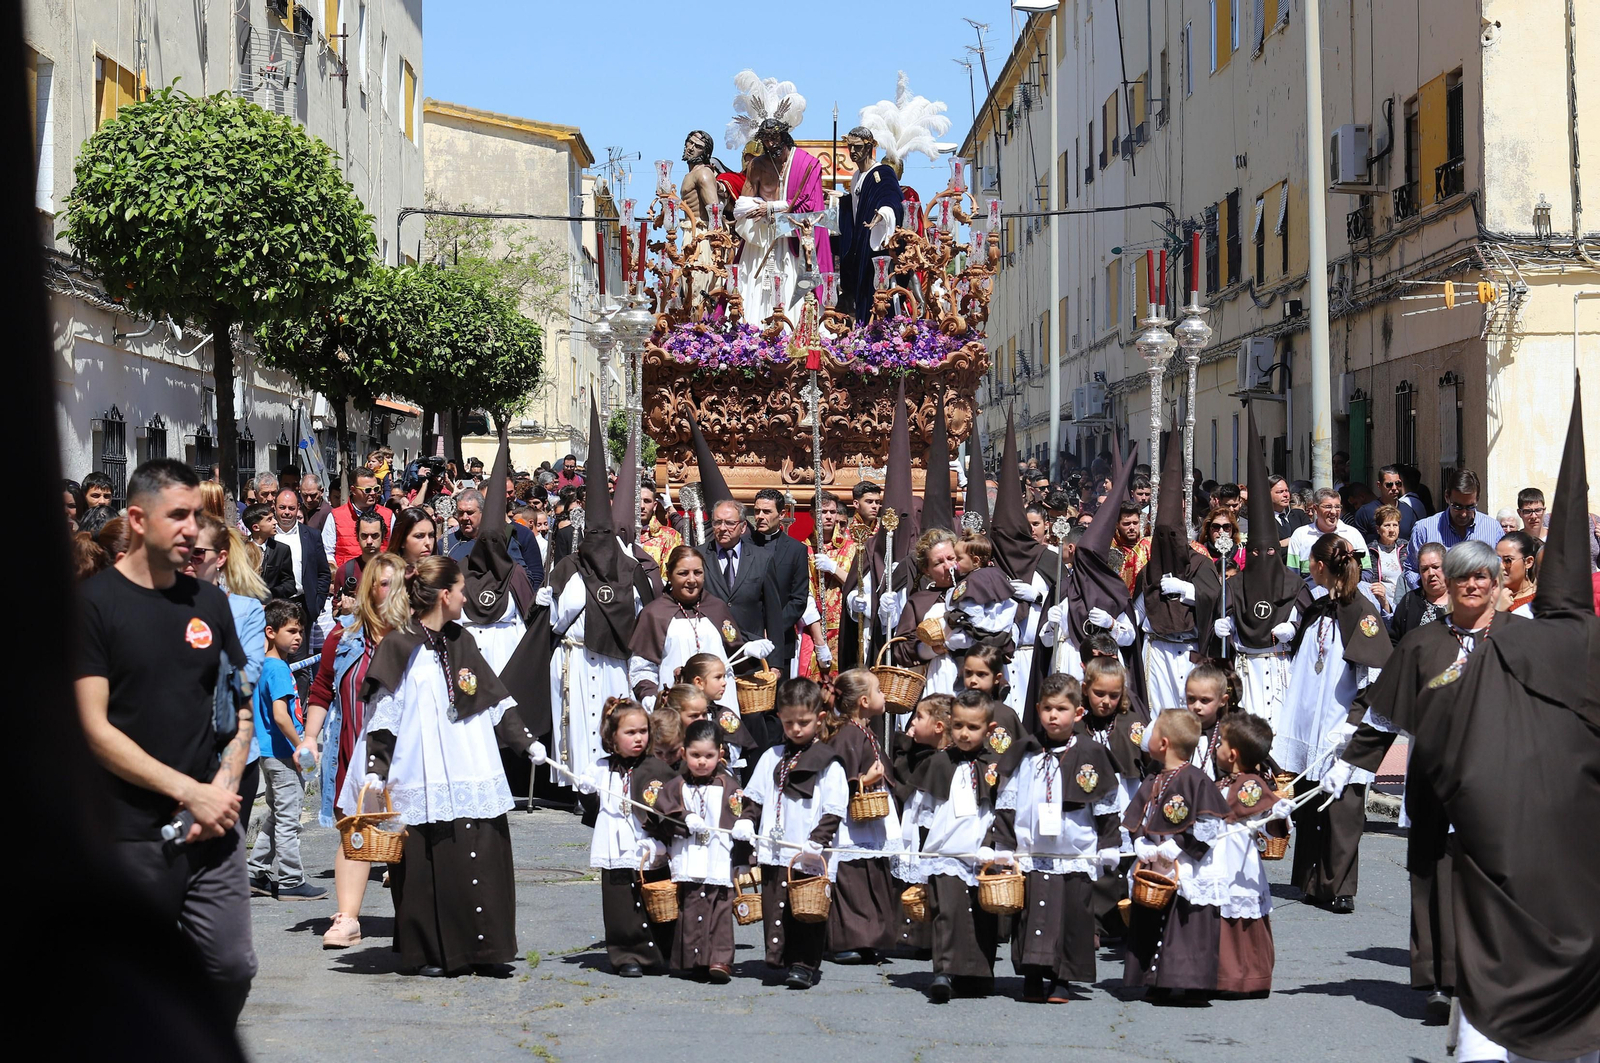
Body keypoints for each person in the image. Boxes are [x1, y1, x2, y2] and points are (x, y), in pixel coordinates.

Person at [74, 459, 257, 1022]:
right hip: (129, 834)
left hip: (212, 830)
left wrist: (221, 790)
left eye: (196, 515)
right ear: (136, 518)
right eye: (177, 515)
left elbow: (241, 712)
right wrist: (188, 791)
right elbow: (92, 726)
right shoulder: (92, 605)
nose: (191, 529)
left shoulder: (210, 603)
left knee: (231, 965)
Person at [1332, 539, 1524, 1024]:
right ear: (1450, 586)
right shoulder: (1422, 644)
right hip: (1436, 785)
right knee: (1435, 880)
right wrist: (1350, 766)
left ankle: (1493, 980)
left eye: (1483, 576)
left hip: (1503, 787)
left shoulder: (1519, 639)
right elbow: (1383, 717)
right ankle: (1441, 980)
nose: (1474, 585)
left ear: (1496, 583)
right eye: (1465, 578)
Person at [340, 556, 538, 977]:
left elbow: (495, 698)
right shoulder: (399, 645)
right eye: (461, 589)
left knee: (481, 850)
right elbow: (383, 718)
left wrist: (526, 743)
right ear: (444, 595)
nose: (465, 596)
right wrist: (376, 766)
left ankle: (485, 949)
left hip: (470, 761)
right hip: (420, 767)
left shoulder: (462, 639)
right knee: (428, 860)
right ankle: (429, 950)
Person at [1273, 533, 1392, 913]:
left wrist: (1353, 723)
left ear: (1321, 566)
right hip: (1312, 724)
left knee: (1342, 808)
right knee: (1311, 806)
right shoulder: (1319, 606)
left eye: (1310, 561)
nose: (1308, 567)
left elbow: (1373, 676)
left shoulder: (1362, 612)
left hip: (1341, 722)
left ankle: (1340, 886)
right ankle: (1312, 881)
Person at [296, 552, 409, 949]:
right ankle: (348, 919)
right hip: (353, 748)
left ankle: (417, 920)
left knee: (408, 837)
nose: (389, 589)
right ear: (367, 588)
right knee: (355, 835)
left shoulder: (417, 637)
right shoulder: (342, 637)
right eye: (382, 582)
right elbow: (322, 689)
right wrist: (309, 738)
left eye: (397, 582)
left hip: (405, 755)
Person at [988, 673, 1122, 1004]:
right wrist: (1003, 845)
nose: (1052, 716)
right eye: (1047, 708)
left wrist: (1109, 845)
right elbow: (1007, 799)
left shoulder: (1091, 751)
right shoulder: (1026, 752)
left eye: (1061, 709)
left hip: (1073, 850)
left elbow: (1107, 805)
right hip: (1032, 849)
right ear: (1037, 709)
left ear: (1077, 713)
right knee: (1033, 914)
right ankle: (1033, 975)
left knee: (1072, 914)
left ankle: (1063, 978)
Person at [729, 678, 848, 990]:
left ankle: (804, 964)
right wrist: (747, 821)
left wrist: (818, 840)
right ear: (779, 717)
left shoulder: (828, 762)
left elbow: (835, 807)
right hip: (775, 847)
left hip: (807, 849)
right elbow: (755, 797)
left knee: (806, 912)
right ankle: (779, 956)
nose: (796, 729)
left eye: (804, 722)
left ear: (820, 719)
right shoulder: (772, 756)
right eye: (789, 721)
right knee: (776, 903)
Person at [901, 694, 1007, 1002]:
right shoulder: (938, 762)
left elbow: (1007, 809)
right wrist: (920, 856)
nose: (963, 733)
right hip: (945, 852)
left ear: (989, 729)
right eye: (958, 725)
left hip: (982, 853)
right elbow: (924, 812)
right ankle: (944, 971)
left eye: (973, 727)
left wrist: (998, 845)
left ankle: (977, 973)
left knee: (980, 913)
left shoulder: (996, 766)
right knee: (946, 911)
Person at [1120, 708, 1231, 1001]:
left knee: (1186, 926)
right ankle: (1158, 980)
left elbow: (1210, 824)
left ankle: (1192, 985)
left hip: (1187, 865)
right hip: (1156, 863)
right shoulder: (1155, 776)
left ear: (1164, 743)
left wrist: (1179, 845)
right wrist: (1140, 844)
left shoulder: (1196, 779)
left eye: (1152, 733)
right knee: (1155, 923)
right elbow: (1139, 817)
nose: (1147, 739)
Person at [575, 698, 677, 977]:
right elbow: (593, 809)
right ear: (611, 736)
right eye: (630, 733)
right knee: (620, 904)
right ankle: (627, 955)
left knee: (655, 901)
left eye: (643, 731)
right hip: (615, 846)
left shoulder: (655, 768)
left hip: (647, 848)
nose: (638, 738)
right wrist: (587, 791)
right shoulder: (600, 768)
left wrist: (661, 840)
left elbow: (670, 809)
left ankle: (659, 952)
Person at [644, 717, 743, 983]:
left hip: (717, 858)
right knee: (691, 907)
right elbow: (661, 809)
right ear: (684, 753)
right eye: (695, 755)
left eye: (709, 755)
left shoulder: (727, 785)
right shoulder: (677, 785)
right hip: (689, 857)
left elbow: (741, 812)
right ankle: (694, 959)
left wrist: (744, 826)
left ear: (720, 754)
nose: (702, 761)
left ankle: (720, 960)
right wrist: (683, 816)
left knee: (720, 909)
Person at [629, 545, 771, 718]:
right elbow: (642, 667)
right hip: (676, 709)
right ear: (669, 573)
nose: (691, 580)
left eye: (697, 572)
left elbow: (733, 655)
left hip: (721, 705)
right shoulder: (654, 614)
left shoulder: (717, 608)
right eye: (683, 573)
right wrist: (650, 697)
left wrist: (748, 651)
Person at [244, 599, 325, 901]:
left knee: (277, 816)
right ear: (269, 631)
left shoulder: (263, 666)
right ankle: (291, 880)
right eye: (291, 631)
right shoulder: (277, 668)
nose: (299, 637)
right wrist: (301, 742)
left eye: (301, 631)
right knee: (289, 819)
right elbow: (280, 714)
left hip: (266, 753)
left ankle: (256, 872)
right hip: (282, 753)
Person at [823, 669, 902, 966]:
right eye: (880, 691)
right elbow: (834, 779)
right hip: (851, 822)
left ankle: (870, 939)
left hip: (871, 816)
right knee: (851, 880)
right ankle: (846, 940)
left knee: (872, 876)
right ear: (865, 701)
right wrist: (864, 781)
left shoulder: (864, 729)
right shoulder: (846, 735)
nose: (884, 696)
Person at [1136, 439, 1222, 712]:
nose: (1168, 543)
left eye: (1172, 536)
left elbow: (1214, 596)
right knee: (1158, 712)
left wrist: (1187, 590)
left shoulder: (1200, 563)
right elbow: (1138, 609)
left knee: (1190, 712)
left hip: (1189, 650)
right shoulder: (1149, 568)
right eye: (1162, 537)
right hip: (1156, 650)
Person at [1208, 713, 1289, 996]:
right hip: (1223, 854)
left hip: (1236, 858)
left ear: (1231, 754)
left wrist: (1274, 811)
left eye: (1219, 743)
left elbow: (1259, 811)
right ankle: (1228, 974)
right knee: (1226, 911)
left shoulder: (1248, 784)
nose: (1214, 747)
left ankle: (1242, 977)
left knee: (1239, 912)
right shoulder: (1227, 781)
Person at [745, 488, 811, 680]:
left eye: (767, 512)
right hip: (747, 638)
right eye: (757, 511)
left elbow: (798, 599)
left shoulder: (796, 550)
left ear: (781, 514)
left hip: (780, 640)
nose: (760, 517)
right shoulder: (743, 545)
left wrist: (772, 628)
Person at [1405, 468, 1503, 589]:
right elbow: (1411, 569)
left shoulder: (1493, 529)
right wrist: (1427, 595)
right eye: (1457, 506)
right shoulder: (1424, 529)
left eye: (1470, 507)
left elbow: (1501, 569)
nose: (1463, 513)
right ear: (1447, 497)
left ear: (1477, 499)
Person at [273, 487, 331, 632]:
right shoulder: (267, 534)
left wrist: (317, 605)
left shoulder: (312, 536)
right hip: (273, 606)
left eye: (291, 508)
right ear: (274, 507)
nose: (287, 512)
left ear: (298, 507)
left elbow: (323, 573)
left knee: (300, 654)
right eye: (282, 507)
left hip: (302, 606)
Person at [1286, 488, 1367, 582]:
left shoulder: (1353, 534)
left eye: (1337, 507)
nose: (1333, 511)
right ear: (1315, 508)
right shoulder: (1300, 535)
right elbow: (1292, 575)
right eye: (1328, 506)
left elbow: (1366, 572)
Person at [322, 469, 391, 571]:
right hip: (349, 579)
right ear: (353, 490)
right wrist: (337, 575)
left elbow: (394, 550)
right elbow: (327, 552)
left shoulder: (388, 515)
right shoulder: (335, 516)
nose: (373, 493)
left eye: (376, 489)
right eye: (367, 490)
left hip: (380, 577)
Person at [1389, 541, 1449, 639]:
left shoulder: (1460, 600)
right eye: (1424, 569)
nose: (1431, 573)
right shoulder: (1409, 601)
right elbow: (1394, 640)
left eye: (1435, 567)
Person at [332, 510, 388, 613]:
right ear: (357, 537)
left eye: (375, 536)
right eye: (364, 536)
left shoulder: (394, 569)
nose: (369, 541)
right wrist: (345, 611)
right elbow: (335, 611)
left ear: (383, 535)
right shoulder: (345, 571)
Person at [243, 502, 297, 603]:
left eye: (273, 518)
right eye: (269, 519)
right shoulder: (241, 549)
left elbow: (289, 584)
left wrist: (270, 594)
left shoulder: (281, 550)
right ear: (256, 527)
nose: (275, 522)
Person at [1363, 504, 1408, 617]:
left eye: (1395, 525)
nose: (1392, 530)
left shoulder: (1407, 547)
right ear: (1378, 529)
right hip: (1380, 606)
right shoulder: (1368, 551)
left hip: (1405, 604)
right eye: (1387, 525)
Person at [1496, 530, 1540, 616]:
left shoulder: (1538, 601)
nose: (1501, 566)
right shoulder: (1489, 595)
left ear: (1528, 562)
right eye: (1497, 560)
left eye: (1508, 560)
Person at [1268, 474, 1309, 547]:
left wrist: (1290, 541)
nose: (1286, 495)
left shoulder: (1299, 515)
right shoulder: (1263, 521)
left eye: (1286, 491)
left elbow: (1310, 539)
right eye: (1280, 492)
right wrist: (1279, 545)